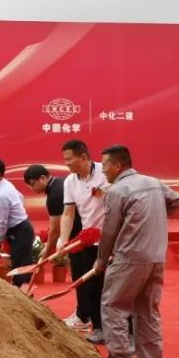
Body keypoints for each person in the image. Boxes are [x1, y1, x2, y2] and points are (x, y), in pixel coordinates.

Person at [94, 145, 179, 358]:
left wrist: (101, 259)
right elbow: (177, 201)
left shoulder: (117, 191)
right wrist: (153, 220)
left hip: (129, 257)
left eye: (105, 166)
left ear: (117, 166)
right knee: (147, 310)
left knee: (113, 306)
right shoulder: (154, 182)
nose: (103, 171)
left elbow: (109, 231)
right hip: (156, 256)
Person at [59, 139, 111, 344]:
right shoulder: (69, 182)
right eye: (64, 160)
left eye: (69, 159)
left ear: (83, 157)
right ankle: (98, 328)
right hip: (89, 241)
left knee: (115, 287)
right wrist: (63, 241)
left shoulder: (106, 174)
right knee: (92, 287)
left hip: (113, 239)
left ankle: (126, 331)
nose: (66, 164)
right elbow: (68, 213)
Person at [23, 164, 84, 326]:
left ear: (43, 178)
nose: (32, 188)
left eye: (32, 184)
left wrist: (47, 253)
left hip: (78, 240)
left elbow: (55, 230)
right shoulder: (60, 183)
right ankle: (86, 314)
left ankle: (83, 316)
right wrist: (48, 248)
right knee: (82, 278)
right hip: (79, 237)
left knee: (80, 278)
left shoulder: (55, 195)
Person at [0, 158, 34, 287]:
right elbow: (20, 197)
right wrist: (16, 211)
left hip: (20, 231)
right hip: (21, 228)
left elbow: (2, 222)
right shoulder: (6, 185)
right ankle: (25, 294)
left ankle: (21, 295)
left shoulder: (2, 194)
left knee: (19, 269)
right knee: (21, 266)